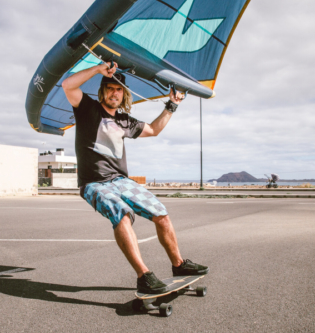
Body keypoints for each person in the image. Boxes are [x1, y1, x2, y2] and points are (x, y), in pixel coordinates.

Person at [62, 62, 209, 294]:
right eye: (110, 88)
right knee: (122, 216)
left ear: (124, 93)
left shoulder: (125, 121)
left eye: (119, 89)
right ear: (103, 91)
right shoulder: (87, 108)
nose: (114, 92)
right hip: (94, 183)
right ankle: (144, 276)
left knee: (161, 214)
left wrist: (173, 105)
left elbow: (154, 129)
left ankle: (179, 265)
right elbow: (68, 85)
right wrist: (98, 69)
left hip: (121, 181)